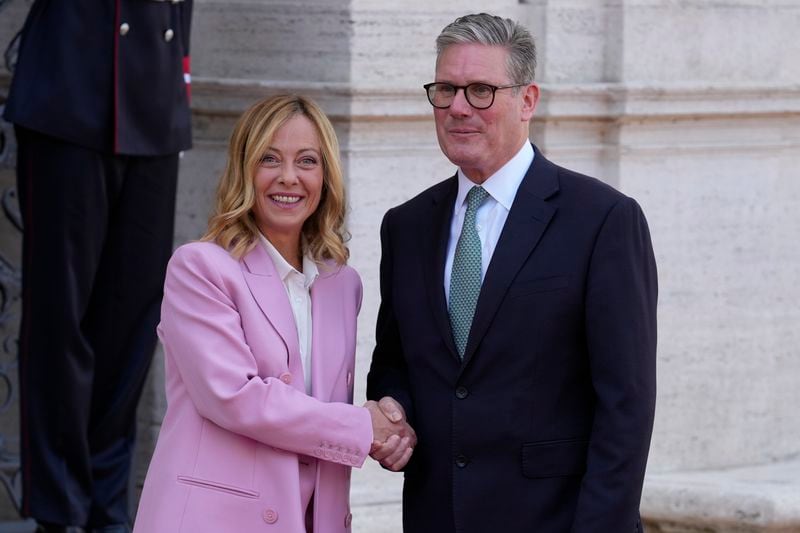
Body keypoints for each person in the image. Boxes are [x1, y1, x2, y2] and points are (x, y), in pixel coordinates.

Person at [367, 12, 658, 532]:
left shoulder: (603, 220)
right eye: (446, 90)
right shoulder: (406, 227)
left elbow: (626, 407)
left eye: (481, 90)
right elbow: (395, 364)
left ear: (527, 100)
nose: (458, 108)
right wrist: (394, 413)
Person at [132, 94, 415, 533]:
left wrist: (391, 431)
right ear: (245, 169)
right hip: (213, 520)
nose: (289, 178)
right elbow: (236, 398)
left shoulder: (342, 284)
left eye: (306, 161)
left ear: (325, 175)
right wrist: (363, 428)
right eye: (269, 158)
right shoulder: (200, 268)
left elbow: (325, 410)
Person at [3, 1, 193, 532]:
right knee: (61, 320)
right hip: (71, 92)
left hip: (155, 97)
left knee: (132, 323)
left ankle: (106, 508)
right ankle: (60, 510)